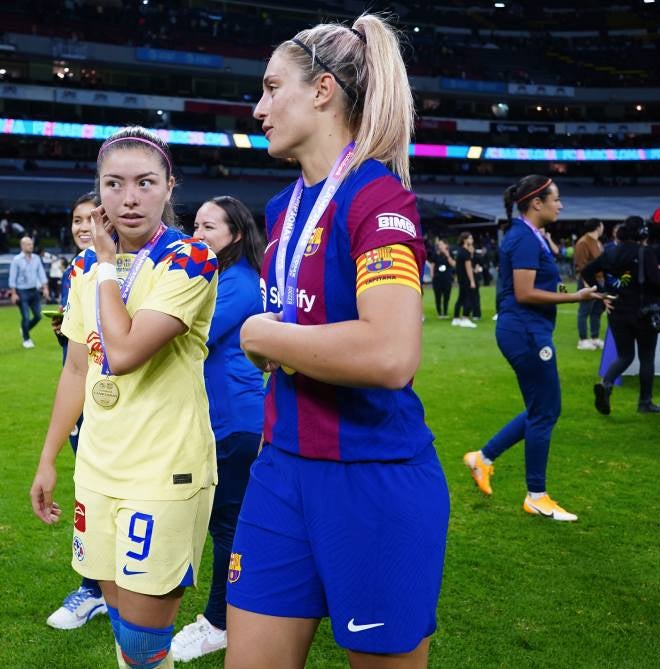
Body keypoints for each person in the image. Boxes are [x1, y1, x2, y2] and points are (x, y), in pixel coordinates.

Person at [228, 18, 449, 669]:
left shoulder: (378, 197)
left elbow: (390, 353)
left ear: (323, 90)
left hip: (371, 478)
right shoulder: (279, 210)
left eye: (272, 88)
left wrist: (268, 335)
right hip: (280, 469)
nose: (259, 107)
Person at [30, 126, 218, 669]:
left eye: (144, 183)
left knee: (142, 639)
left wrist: (108, 265)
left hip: (164, 471)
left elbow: (126, 351)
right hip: (97, 465)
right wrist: (47, 460)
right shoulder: (83, 266)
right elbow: (77, 367)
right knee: (120, 620)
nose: (128, 198)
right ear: (99, 190)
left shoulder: (192, 259)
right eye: (113, 184)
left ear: (168, 187)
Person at [463, 175, 606, 523]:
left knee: (542, 408)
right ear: (536, 203)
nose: (561, 205)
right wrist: (576, 296)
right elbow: (525, 292)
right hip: (525, 331)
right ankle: (536, 496)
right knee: (545, 410)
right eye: (556, 198)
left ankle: (483, 457)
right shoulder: (523, 238)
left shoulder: (530, 236)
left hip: (527, 329)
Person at [172, 195, 264, 663]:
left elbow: (188, 336)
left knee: (226, 524)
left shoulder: (239, 283)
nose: (198, 233)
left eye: (209, 227)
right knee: (225, 522)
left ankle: (218, 622)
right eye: (195, 225)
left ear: (236, 234)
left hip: (233, 420)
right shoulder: (228, 277)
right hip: (225, 417)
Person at [44, 191, 110, 632]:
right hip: (84, 402)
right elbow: (79, 356)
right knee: (89, 492)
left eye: (92, 218)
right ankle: (95, 588)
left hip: (118, 407)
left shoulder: (126, 265)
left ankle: (99, 589)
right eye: (76, 219)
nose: (83, 227)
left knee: (110, 495)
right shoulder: (78, 268)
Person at [582, 217, 660, 414]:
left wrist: (603, 295)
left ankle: (606, 384)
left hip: (617, 312)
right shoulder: (646, 253)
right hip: (644, 314)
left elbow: (587, 271)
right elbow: (658, 285)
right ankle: (645, 402)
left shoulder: (610, 252)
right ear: (642, 233)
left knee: (625, 355)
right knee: (646, 359)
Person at [9, 236, 50, 347]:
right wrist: (13, 293)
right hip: (21, 291)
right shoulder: (16, 260)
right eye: (28, 244)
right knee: (26, 317)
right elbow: (12, 277)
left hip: (34, 291)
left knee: (38, 316)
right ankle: (26, 339)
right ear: (22, 246)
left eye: (31, 244)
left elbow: (41, 273)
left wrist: (45, 287)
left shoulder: (36, 258)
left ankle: (25, 329)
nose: (31, 246)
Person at [573, 218, 606, 350]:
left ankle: (595, 337)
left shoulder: (597, 242)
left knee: (597, 310)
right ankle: (583, 340)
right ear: (598, 227)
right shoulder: (583, 242)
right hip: (588, 281)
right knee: (584, 309)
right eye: (602, 225)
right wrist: (587, 284)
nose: (603, 228)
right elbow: (581, 265)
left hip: (600, 280)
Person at [451, 232, 478, 328]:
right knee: (469, 298)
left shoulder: (460, 251)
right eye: (470, 238)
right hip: (466, 279)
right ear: (464, 240)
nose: (472, 240)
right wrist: (472, 281)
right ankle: (465, 318)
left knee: (461, 297)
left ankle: (456, 318)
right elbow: (469, 268)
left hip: (461, 278)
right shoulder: (465, 253)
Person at [431, 239, 454, 319]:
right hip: (437, 279)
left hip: (447, 279)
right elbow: (432, 266)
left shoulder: (450, 253)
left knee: (446, 296)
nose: (439, 246)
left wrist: (447, 255)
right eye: (439, 244)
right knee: (438, 296)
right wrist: (432, 276)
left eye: (441, 244)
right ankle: (439, 313)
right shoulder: (435, 254)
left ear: (446, 245)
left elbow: (453, 264)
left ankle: (445, 312)